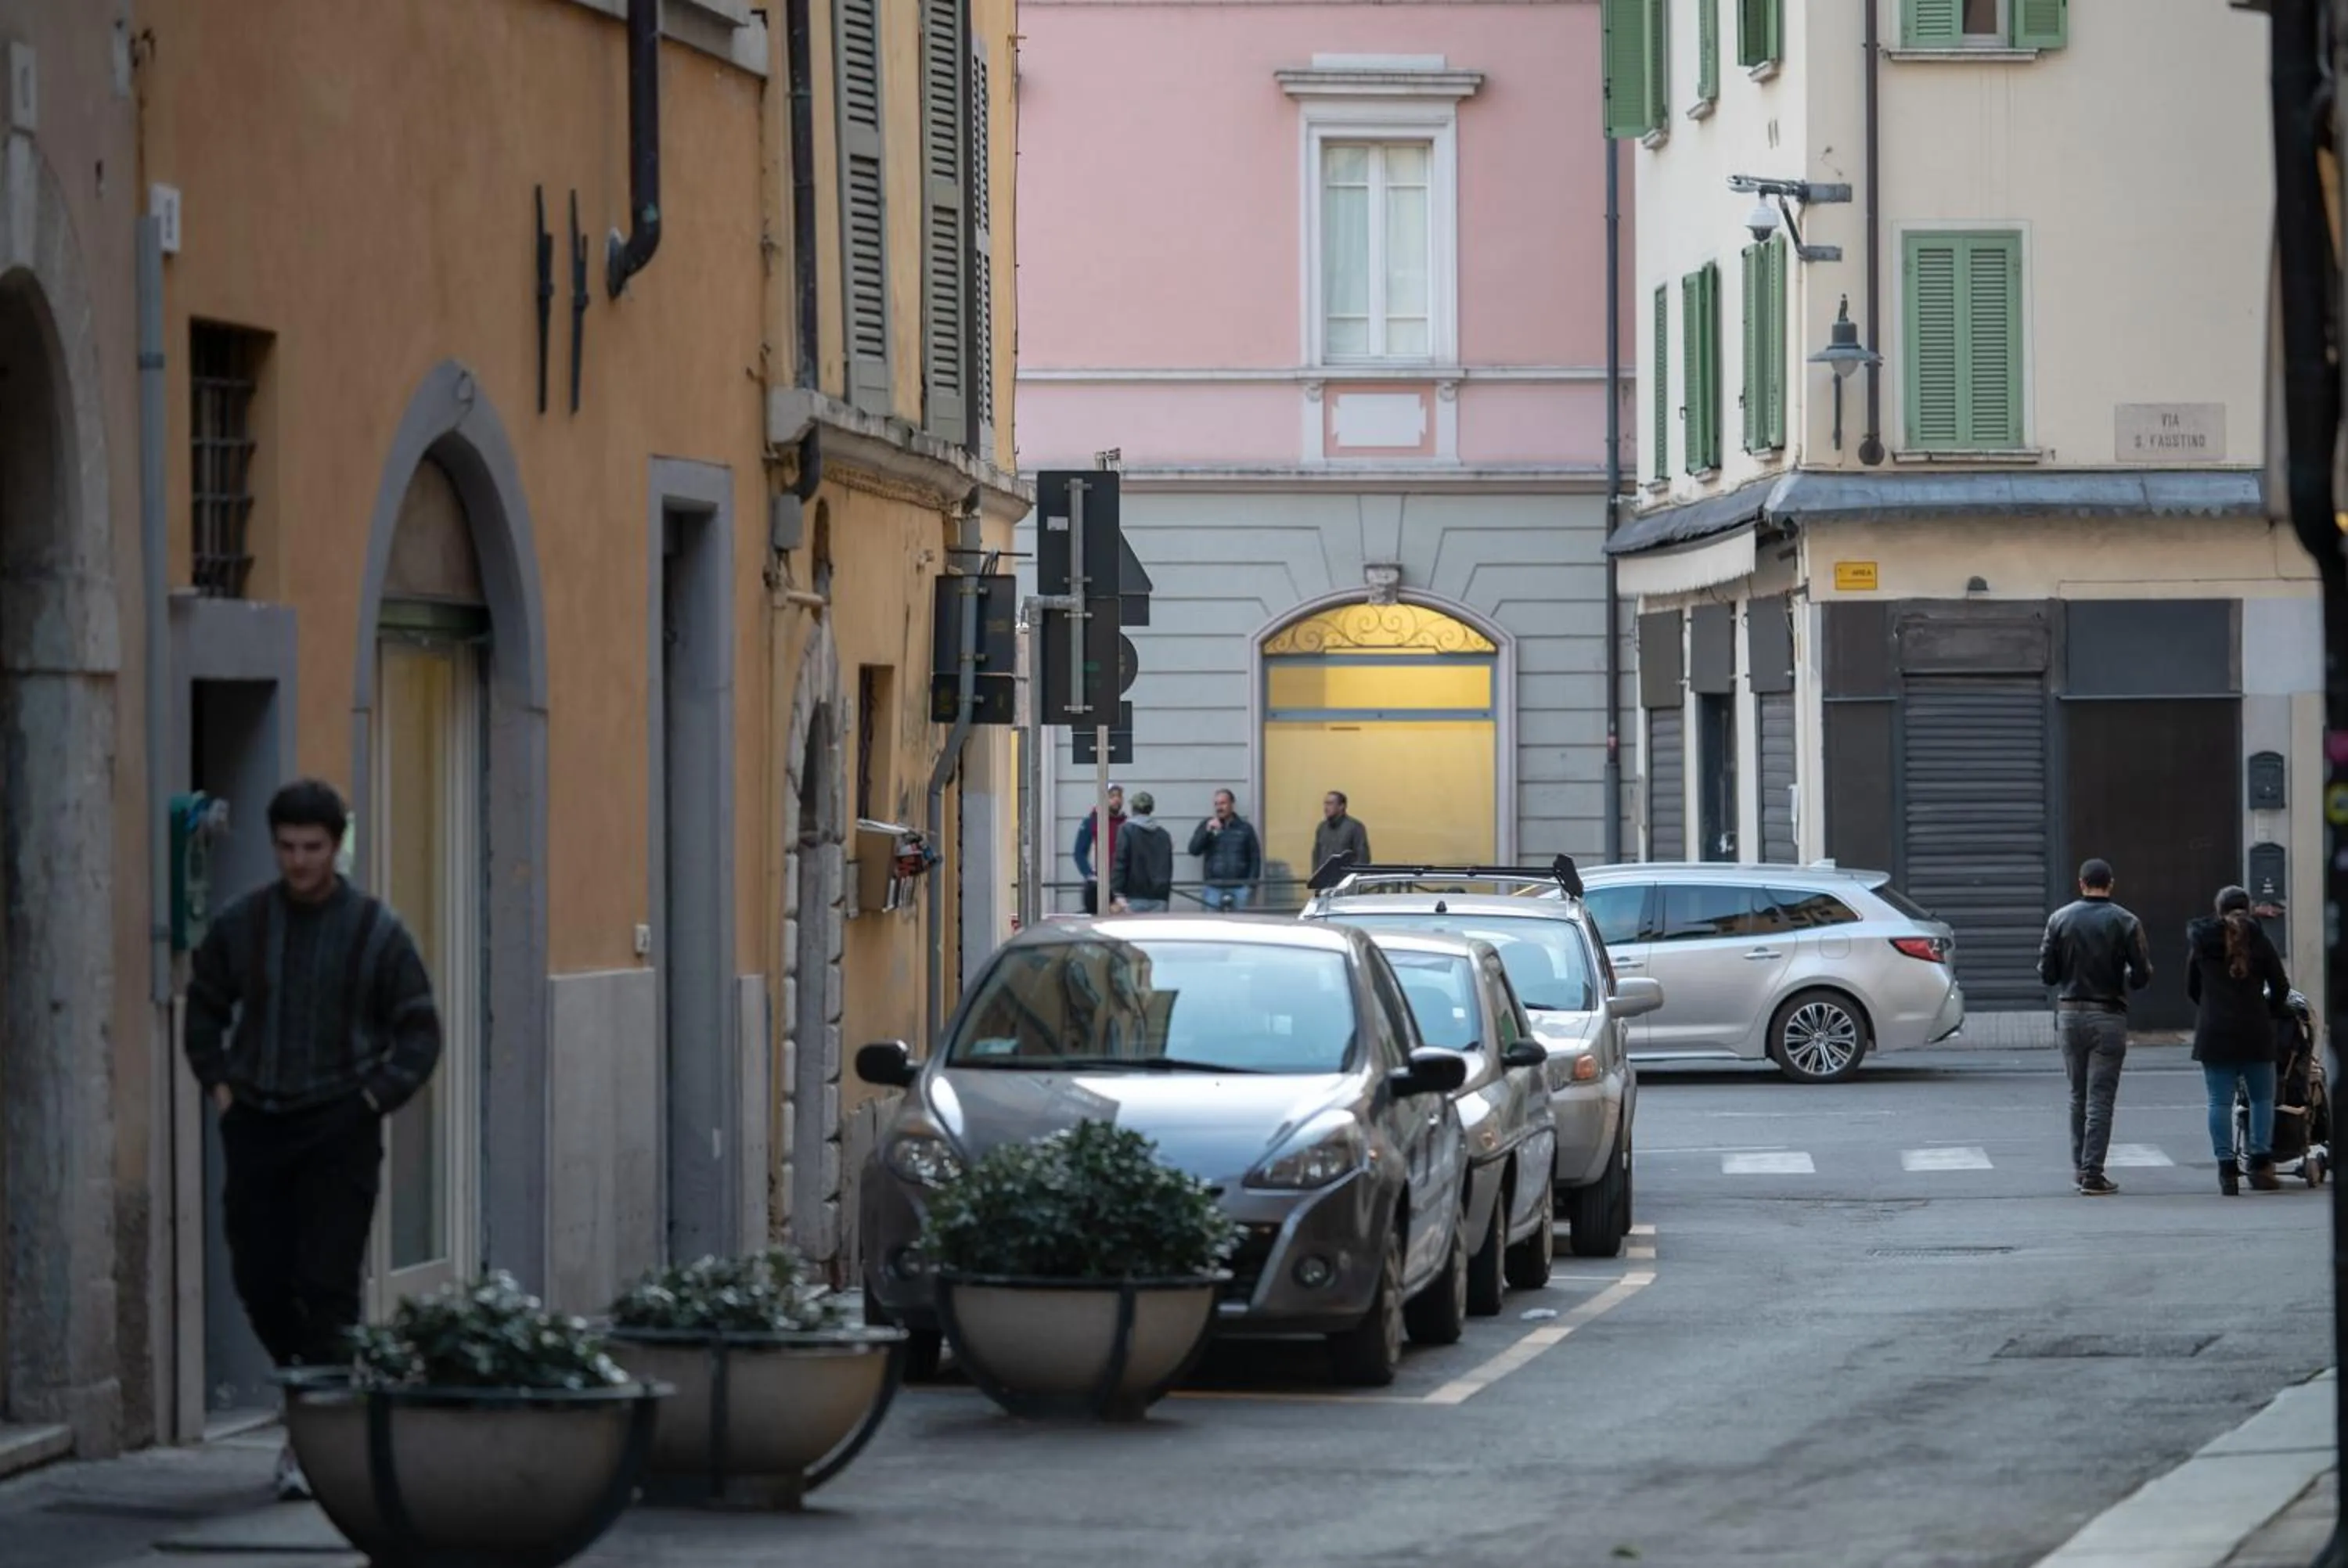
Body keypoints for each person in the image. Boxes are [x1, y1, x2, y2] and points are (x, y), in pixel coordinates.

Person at [183, 779, 444, 1499]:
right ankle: (319, 1388)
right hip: (258, 1123)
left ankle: (311, 1442)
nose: (299, 862)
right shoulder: (244, 925)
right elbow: (204, 1006)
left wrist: (370, 1101)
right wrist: (222, 1089)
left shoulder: (375, 932)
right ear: (275, 846)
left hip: (339, 1125)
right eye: (288, 847)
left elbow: (421, 1032)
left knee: (326, 1286)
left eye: (313, 848)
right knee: (260, 1279)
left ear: (336, 847)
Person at [2035, 857, 2153, 1197]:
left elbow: (2047, 973)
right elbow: (2142, 973)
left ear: (2081, 883)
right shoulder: (2126, 921)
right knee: (2101, 1098)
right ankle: (2093, 1173)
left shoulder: (2059, 919)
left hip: (2070, 1015)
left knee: (2077, 1095)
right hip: (2108, 1015)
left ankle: (2079, 1168)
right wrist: (2129, 977)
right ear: (2110, 884)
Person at [2188, 885, 2294, 1195]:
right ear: (2247, 908)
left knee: (2218, 1101)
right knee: (2262, 1099)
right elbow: (2281, 986)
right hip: (2255, 1030)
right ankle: (2260, 1165)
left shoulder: (2202, 940)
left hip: (2214, 1032)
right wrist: (2267, 1011)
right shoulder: (2259, 939)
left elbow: (2191, 987)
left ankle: (2227, 1171)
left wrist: (2211, 1009)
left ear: (2218, 909)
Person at [1189, 789, 1263, 911]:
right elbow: (1194, 850)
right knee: (1212, 926)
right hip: (1214, 886)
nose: (1219, 807)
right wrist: (1207, 832)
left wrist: (1250, 884)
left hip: (1239, 887)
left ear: (1232, 804)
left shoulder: (1245, 828)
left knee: (1241, 926)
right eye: (1216, 804)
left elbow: (1255, 857)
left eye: (1223, 803)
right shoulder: (1207, 825)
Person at [1111, 790, 1176, 912]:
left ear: (1133, 808)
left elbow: (1121, 861)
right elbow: (1168, 868)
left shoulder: (1126, 830)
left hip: (1133, 896)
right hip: (1159, 897)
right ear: (1151, 809)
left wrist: (1117, 892)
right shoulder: (1164, 835)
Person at [1071, 783, 1125, 915]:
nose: (1116, 799)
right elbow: (1079, 852)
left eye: (1119, 796)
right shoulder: (1091, 822)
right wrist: (1090, 876)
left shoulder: (1125, 823)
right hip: (1099, 884)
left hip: (1121, 883)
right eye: (1112, 796)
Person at [1311, 789, 1371, 873]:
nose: (1326, 808)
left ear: (1341, 806)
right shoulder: (1322, 827)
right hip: (1324, 882)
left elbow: (1362, 858)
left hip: (1345, 882)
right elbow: (1316, 855)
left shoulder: (1355, 827)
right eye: (1325, 803)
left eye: (1330, 804)